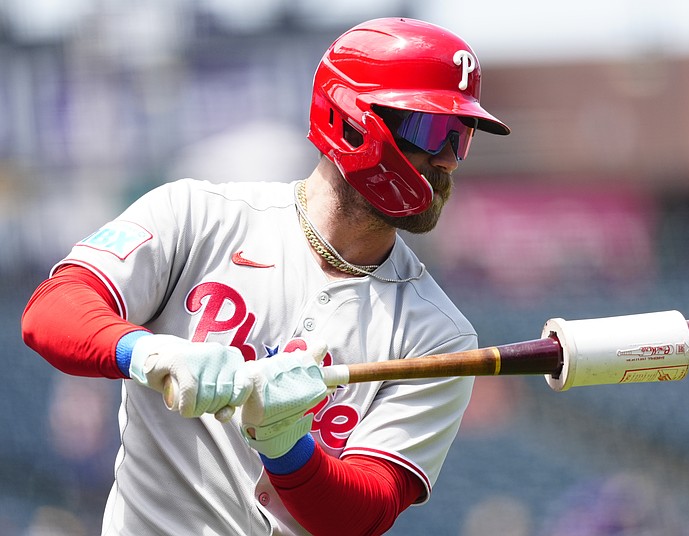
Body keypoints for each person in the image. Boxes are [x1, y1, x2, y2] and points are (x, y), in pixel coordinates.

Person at [21, 17, 509, 535]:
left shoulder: (440, 338)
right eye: (432, 131)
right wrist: (149, 353)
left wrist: (286, 445)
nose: (448, 161)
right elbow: (52, 309)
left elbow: (363, 514)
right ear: (352, 118)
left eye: (461, 138)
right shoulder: (198, 215)